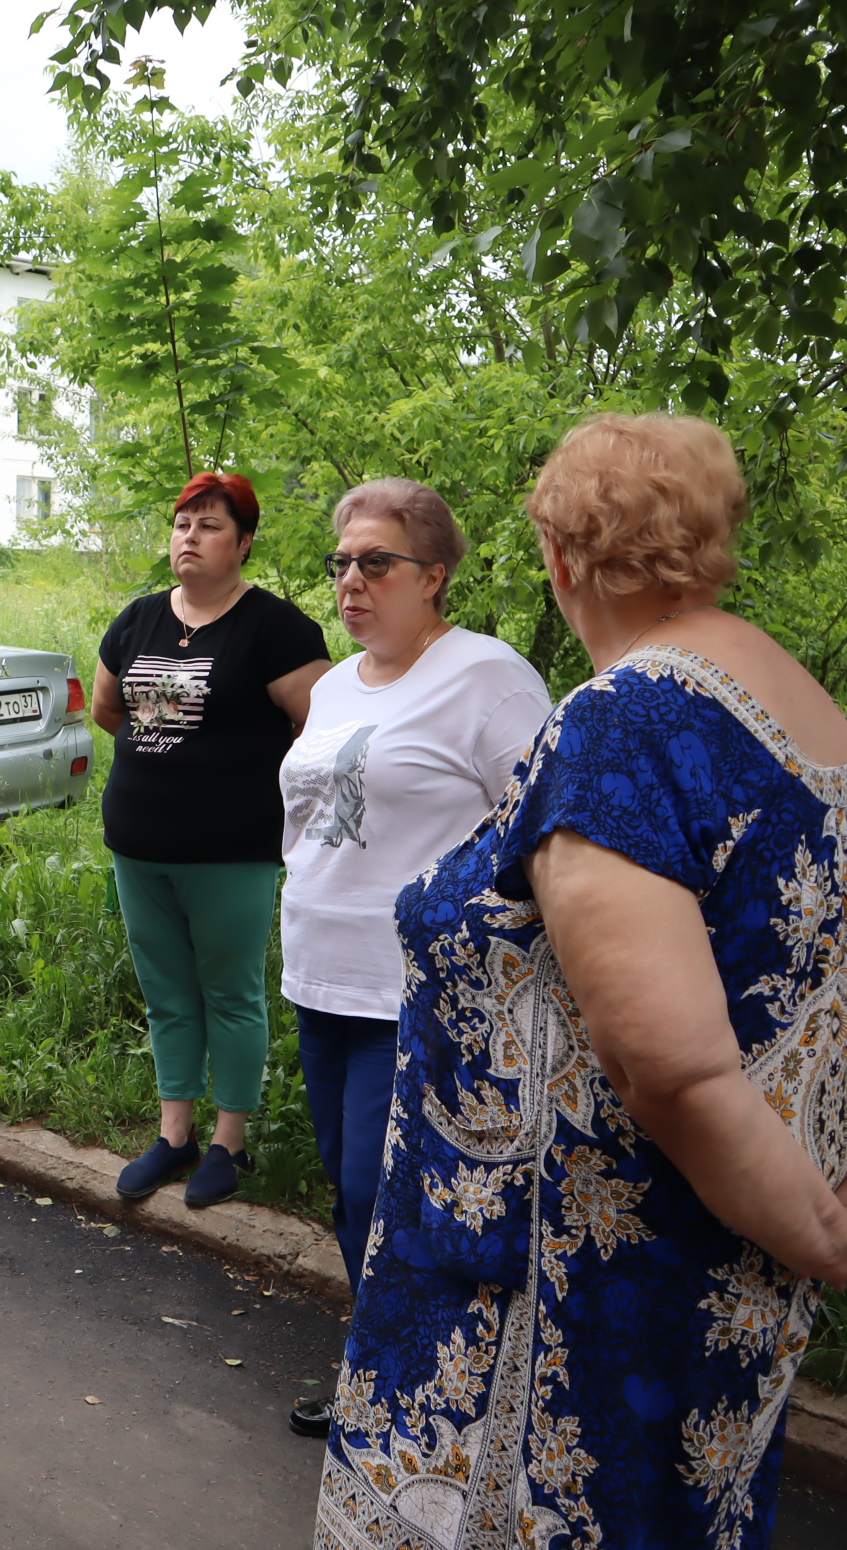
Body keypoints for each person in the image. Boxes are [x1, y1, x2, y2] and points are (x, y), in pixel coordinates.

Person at [318, 414, 847, 1549]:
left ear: (558, 556)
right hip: (735, 1258)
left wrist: (834, 1240)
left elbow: (676, 1069)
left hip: (577, 1305)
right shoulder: (807, 705)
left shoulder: (622, 726)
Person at [273, 477, 550, 1440]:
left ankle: (429, 1389)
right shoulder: (339, 683)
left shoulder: (488, 677)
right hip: (322, 973)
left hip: (423, 991)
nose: (351, 580)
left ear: (434, 575)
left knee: (386, 1193)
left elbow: (541, 836)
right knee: (351, 1192)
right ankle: (389, 1369)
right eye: (341, 563)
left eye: (376, 562)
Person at [92, 472, 331, 1209]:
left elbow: (324, 730)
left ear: (245, 542)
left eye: (210, 525)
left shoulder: (276, 628)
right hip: (139, 844)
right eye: (182, 523)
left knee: (229, 994)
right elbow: (109, 710)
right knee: (167, 994)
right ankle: (174, 1135)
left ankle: (229, 1141)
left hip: (232, 849)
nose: (189, 536)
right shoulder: (136, 620)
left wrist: (237, 775)